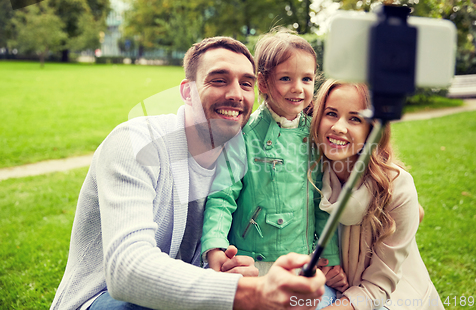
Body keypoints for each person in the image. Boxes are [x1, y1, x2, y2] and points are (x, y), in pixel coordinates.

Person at [50, 36, 327, 310]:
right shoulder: (135, 142)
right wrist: (250, 292)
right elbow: (126, 270)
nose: (235, 94)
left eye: (245, 84)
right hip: (103, 299)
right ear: (186, 91)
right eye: (218, 80)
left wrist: (229, 269)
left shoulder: (240, 153)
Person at [201, 30, 348, 310]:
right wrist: (215, 246)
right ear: (264, 83)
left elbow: (321, 204)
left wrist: (330, 260)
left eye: (306, 79)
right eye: (286, 78)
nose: (298, 88)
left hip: (301, 262)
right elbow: (222, 198)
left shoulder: (316, 136)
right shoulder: (244, 136)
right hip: (253, 265)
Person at [308, 79, 443, 310]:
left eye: (354, 118)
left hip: (392, 297)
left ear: (372, 129)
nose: (339, 127)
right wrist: (322, 269)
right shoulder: (314, 175)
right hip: (339, 288)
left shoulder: (398, 187)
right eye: (331, 113)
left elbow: (379, 286)